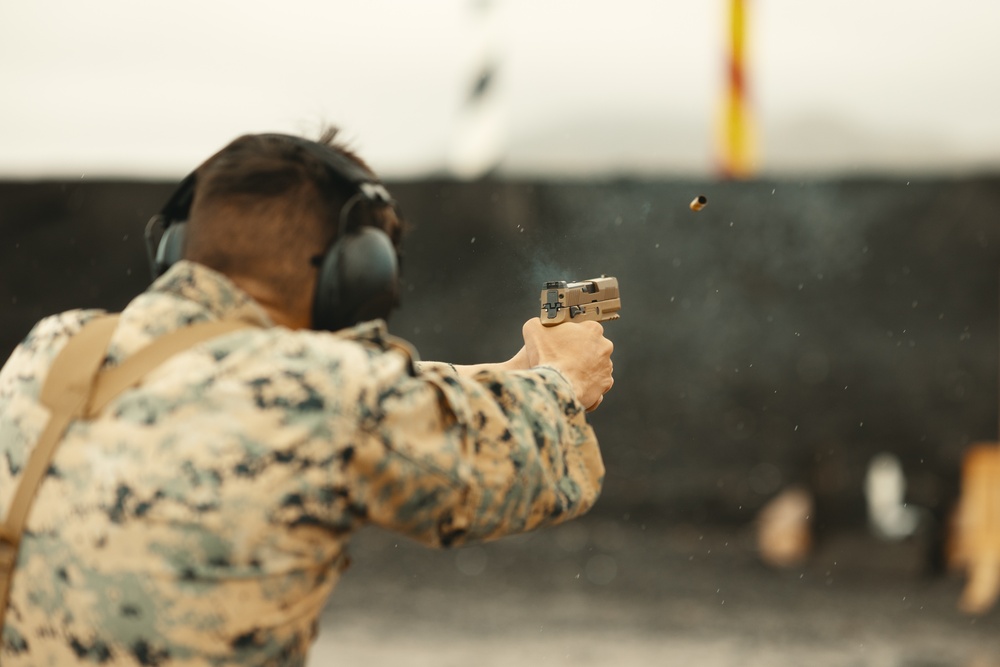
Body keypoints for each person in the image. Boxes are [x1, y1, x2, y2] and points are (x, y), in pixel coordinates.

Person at [0, 130, 614, 665]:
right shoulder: (331, 395)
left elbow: (283, 392)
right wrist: (563, 381)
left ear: (178, 246)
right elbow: (515, 471)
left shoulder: (56, 346)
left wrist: (507, 374)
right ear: (355, 273)